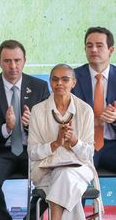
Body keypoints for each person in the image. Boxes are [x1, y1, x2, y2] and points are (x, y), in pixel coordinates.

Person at [0, 39, 49, 220]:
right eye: (7, 61)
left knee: (53, 178)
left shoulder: (40, 87)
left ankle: (30, 218)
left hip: (32, 151)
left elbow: (49, 130)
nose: (13, 66)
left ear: (24, 61)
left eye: (17, 60)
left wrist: (31, 125)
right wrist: (6, 128)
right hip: (0, 151)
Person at [28, 64, 98, 219]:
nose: (59, 83)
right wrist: (55, 144)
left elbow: (88, 154)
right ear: (50, 82)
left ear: (73, 83)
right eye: (55, 79)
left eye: (65, 79)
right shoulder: (38, 110)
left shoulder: (85, 110)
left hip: (79, 168)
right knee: (64, 178)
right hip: (46, 170)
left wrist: (74, 141)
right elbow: (32, 152)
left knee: (64, 175)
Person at [72, 26, 116, 173]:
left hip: (113, 143)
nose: (94, 50)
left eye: (99, 45)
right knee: (73, 176)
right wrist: (92, 122)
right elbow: (62, 116)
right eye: (89, 46)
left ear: (111, 50)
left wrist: (115, 119)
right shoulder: (72, 79)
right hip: (83, 144)